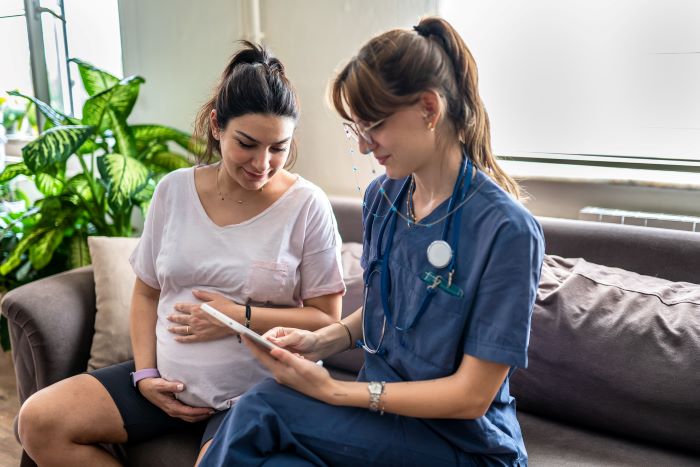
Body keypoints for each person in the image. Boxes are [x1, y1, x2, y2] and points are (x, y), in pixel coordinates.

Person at [200, 17, 545, 467]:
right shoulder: (384, 198)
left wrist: (334, 390)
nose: (365, 147)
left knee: (263, 406)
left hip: (462, 445)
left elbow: (471, 397)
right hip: (382, 428)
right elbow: (391, 304)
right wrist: (321, 341)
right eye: (355, 130)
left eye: (373, 127)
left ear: (428, 109)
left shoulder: (507, 231)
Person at [17, 41, 346, 466]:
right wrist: (145, 375)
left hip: (252, 394)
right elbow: (147, 293)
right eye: (247, 143)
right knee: (39, 421)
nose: (263, 163)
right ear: (216, 126)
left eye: (278, 147)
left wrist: (238, 318)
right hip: (167, 381)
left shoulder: (307, 206)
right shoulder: (173, 190)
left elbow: (326, 321)